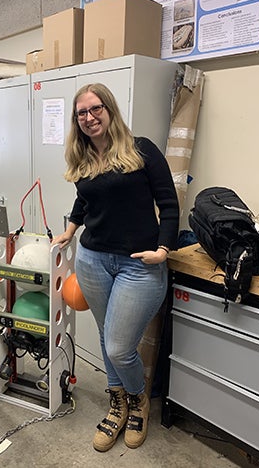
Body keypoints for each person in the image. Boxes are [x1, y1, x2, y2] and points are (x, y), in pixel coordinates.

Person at [53, 83, 179, 452]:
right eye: (81, 113)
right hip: (93, 260)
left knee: (120, 345)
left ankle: (137, 400)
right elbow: (84, 199)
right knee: (109, 340)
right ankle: (117, 403)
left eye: (95, 109)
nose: (89, 118)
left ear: (109, 110)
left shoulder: (142, 150)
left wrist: (163, 249)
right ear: (76, 120)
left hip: (139, 265)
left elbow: (169, 204)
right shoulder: (83, 156)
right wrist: (70, 231)